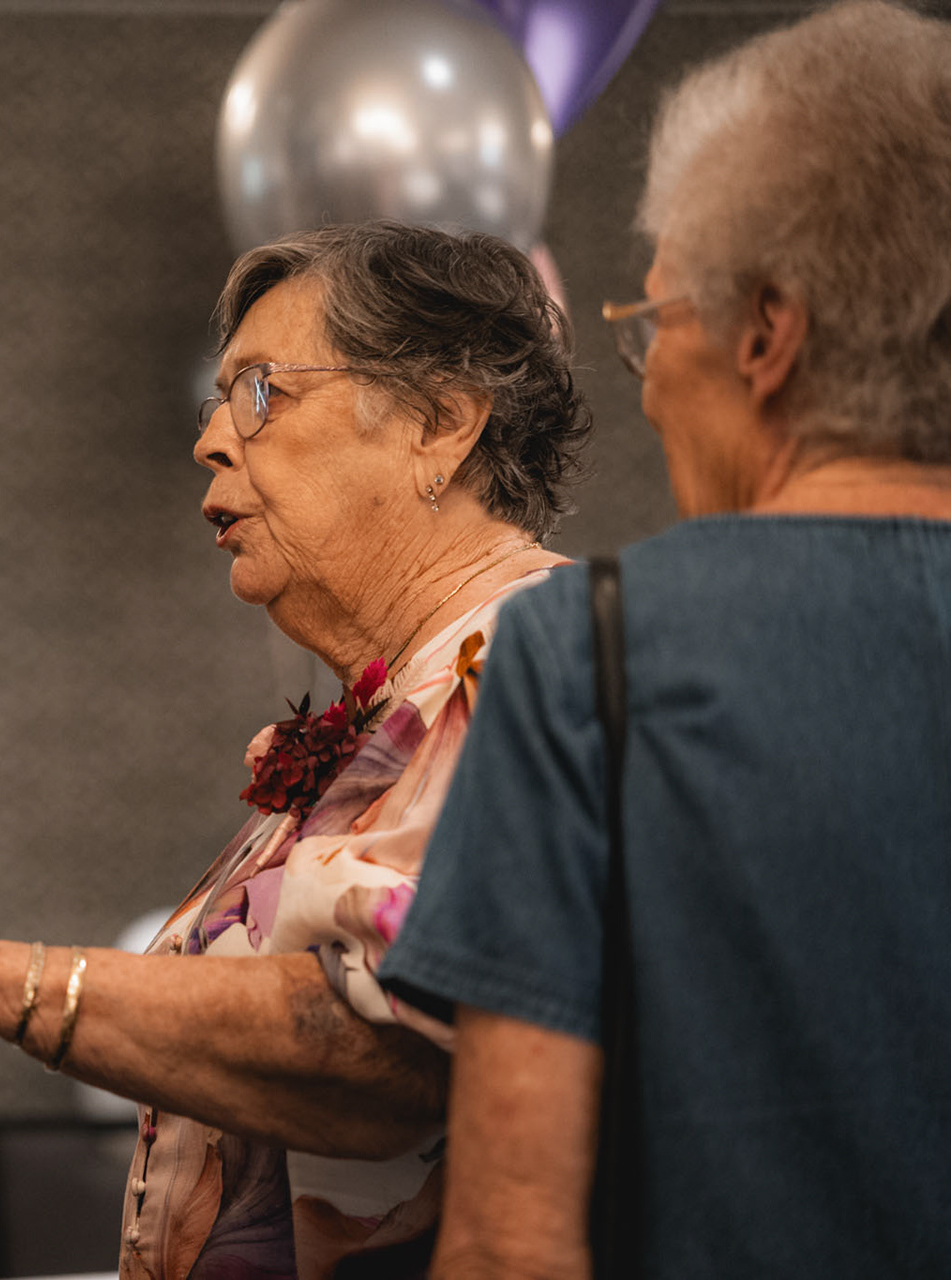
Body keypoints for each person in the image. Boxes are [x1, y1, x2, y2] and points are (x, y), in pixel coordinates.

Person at [0, 222, 589, 1278]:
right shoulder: (414, 688)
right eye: (217, 400)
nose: (209, 440)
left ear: (439, 422)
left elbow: (388, 1048)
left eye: (260, 392)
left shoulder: (525, 663)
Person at [374, 4, 951, 1275]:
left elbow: (512, 1244)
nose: (645, 385)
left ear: (766, 334)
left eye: (655, 324)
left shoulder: (591, 652)